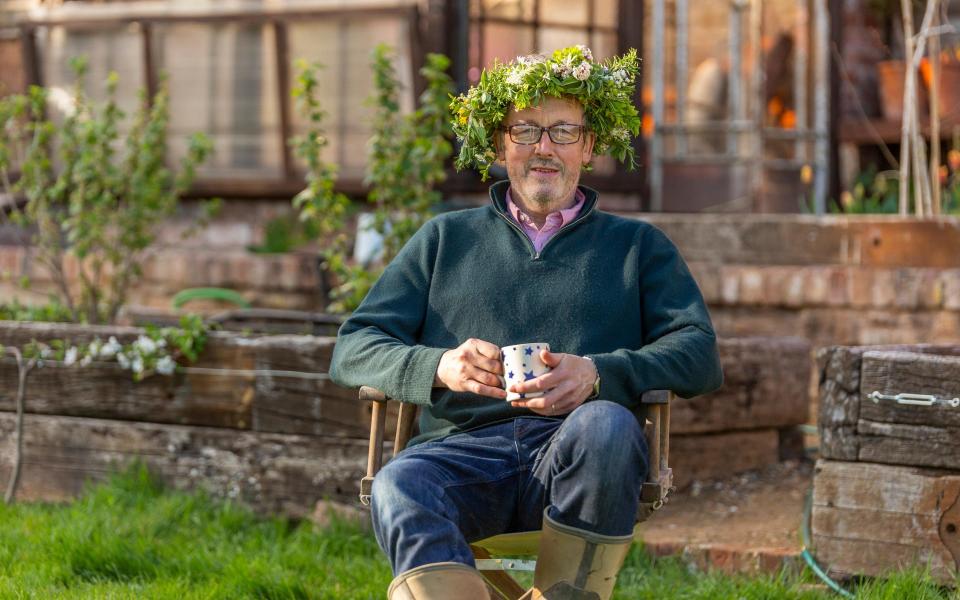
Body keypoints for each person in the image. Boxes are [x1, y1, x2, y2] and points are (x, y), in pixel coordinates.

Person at [330, 45, 723, 600]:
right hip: (461, 453)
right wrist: (437, 365)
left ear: (589, 146)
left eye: (563, 131)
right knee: (400, 482)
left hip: (575, 454)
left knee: (608, 425)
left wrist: (598, 373)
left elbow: (700, 354)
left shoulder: (638, 248)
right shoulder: (444, 240)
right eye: (526, 130)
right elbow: (353, 346)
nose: (544, 147)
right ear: (499, 145)